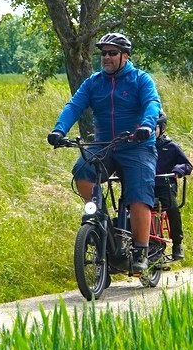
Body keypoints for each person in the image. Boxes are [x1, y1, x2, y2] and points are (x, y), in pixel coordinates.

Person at [47, 32, 161, 273]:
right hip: (104, 145)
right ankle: (101, 221)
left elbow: (152, 103)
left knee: (139, 196)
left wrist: (146, 126)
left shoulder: (140, 80)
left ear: (125, 56)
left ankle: (141, 250)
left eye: (112, 53)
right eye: (103, 53)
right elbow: (74, 106)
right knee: (81, 170)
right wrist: (59, 130)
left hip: (136, 145)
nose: (106, 57)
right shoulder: (93, 82)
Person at [153, 114, 193, 262]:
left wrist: (178, 171)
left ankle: (177, 244)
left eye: (154, 128)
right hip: (144, 185)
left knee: (172, 208)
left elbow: (187, 164)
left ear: (161, 128)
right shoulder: (140, 146)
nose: (151, 131)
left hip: (164, 185)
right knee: (125, 207)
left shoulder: (170, 146)